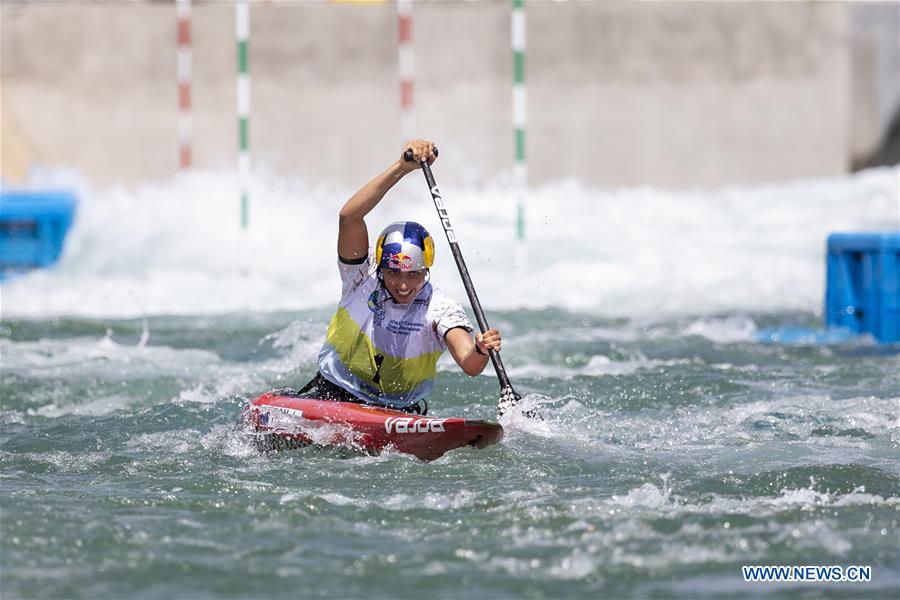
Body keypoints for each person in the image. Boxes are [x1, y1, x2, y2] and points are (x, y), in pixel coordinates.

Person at [295, 140, 502, 415]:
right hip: (334, 394)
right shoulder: (360, 276)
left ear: (426, 271)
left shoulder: (440, 308)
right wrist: (401, 168)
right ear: (380, 267)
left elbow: (469, 364)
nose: (403, 284)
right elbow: (349, 217)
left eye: (413, 275)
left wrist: (481, 349)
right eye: (393, 273)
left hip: (400, 412)